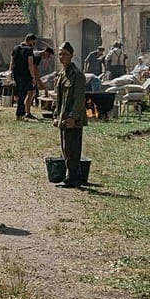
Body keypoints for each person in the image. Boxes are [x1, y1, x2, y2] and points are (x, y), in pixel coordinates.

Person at [52, 41, 88, 188]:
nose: (62, 57)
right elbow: (58, 98)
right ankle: (72, 174)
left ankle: (74, 177)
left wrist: (73, 117)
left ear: (71, 55)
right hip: (63, 116)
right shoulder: (61, 75)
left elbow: (79, 99)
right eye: (60, 54)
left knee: (72, 148)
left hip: (73, 118)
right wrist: (55, 115)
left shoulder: (77, 75)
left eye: (65, 54)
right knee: (66, 148)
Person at [9, 33, 39, 121]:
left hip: (16, 75)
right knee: (23, 95)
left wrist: (10, 73)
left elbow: (11, 62)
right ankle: (19, 114)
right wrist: (33, 77)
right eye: (33, 42)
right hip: (25, 75)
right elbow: (30, 64)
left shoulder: (15, 48)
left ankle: (21, 113)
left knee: (19, 95)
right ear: (30, 40)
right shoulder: (29, 50)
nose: (33, 44)